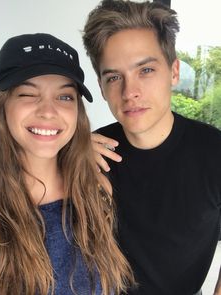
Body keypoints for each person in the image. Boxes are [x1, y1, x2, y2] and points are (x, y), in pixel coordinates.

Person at [82, 1, 221, 295]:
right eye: (114, 77)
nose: (130, 91)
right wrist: (64, 157)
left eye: (145, 69)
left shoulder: (213, 151)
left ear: (173, 71)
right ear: (101, 85)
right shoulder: (90, 151)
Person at [0, 33, 134, 295]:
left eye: (65, 97)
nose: (48, 111)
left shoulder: (97, 190)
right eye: (28, 94)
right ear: (1, 106)